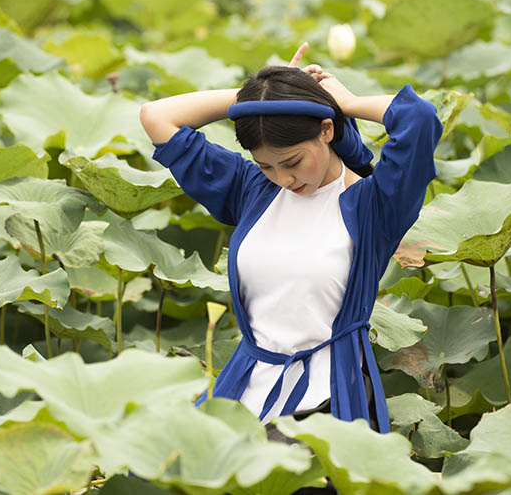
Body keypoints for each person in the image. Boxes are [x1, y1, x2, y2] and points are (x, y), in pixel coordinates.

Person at [140, 42, 442, 437]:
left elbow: (419, 118)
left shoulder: (375, 205)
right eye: (267, 165)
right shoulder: (250, 190)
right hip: (245, 385)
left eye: (293, 162)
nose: (283, 178)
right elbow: (157, 116)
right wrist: (265, 94)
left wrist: (344, 101)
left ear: (327, 130)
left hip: (329, 396)